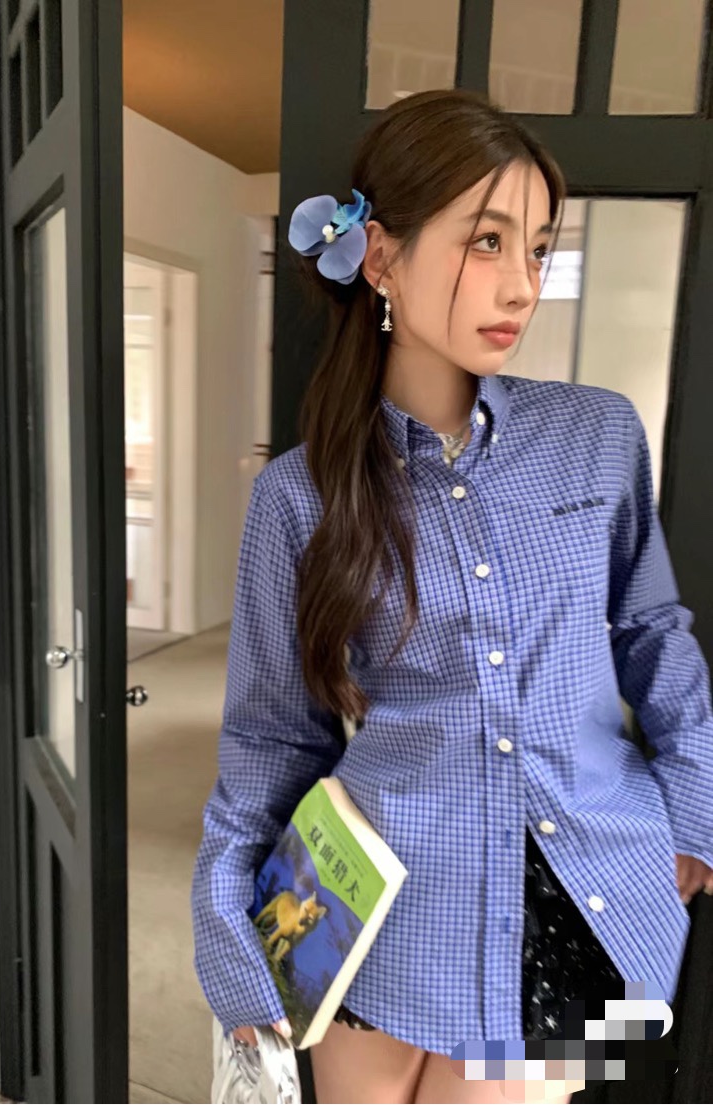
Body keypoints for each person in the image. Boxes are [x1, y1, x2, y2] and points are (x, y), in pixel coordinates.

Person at [190, 89, 713, 1104]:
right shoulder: (298, 497)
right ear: (381, 258)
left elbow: (653, 630)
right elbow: (271, 737)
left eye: (540, 248)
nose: (522, 283)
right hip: (376, 909)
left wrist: (692, 806)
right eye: (488, 241)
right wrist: (226, 922)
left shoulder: (598, 436)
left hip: (588, 896)